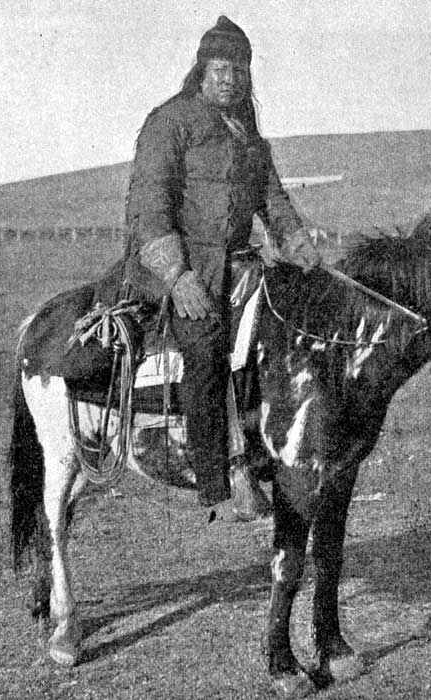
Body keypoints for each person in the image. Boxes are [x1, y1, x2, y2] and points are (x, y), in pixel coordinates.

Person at [122, 15, 324, 522]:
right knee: (206, 348)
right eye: (220, 69)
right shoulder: (170, 122)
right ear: (201, 71)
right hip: (182, 268)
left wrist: (299, 245)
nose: (230, 79)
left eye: (239, 71)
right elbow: (148, 206)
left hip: (237, 266)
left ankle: (270, 450)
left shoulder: (249, 138)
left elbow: (273, 201)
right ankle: (219, 479)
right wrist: (177, 276)